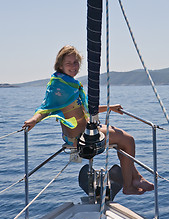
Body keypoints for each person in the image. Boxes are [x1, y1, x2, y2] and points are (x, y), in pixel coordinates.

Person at [23, 45, 154, 195]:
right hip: (79, 138)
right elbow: (45, 108)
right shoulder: (58, 87)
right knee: (128, 140)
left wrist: (110, 107)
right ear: (60, 65)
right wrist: (34, 120)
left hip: (85, 130)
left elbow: (86, 109)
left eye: (76, 62)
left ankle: (136, 178)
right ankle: (129, 186)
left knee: (121, 137)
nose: (73, 66)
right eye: (68, 63)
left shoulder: (70, 84)